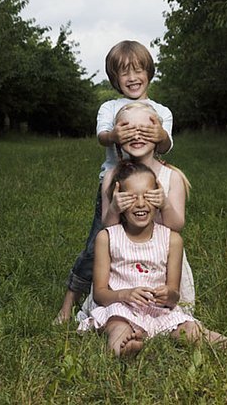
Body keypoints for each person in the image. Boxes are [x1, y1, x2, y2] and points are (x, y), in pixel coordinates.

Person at [77, 161, 227, 357]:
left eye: (148, 196)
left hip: (159, 311)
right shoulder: (107, 237)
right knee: (118, 328)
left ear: (159, 197)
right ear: (118, 200)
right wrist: (124, 294)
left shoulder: (172, 239)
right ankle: (123, 349)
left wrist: (168, 294)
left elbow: (174, 293)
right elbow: (99, 294)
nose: (140, 203)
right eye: (131, 198)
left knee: (191, 331)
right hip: (120, 308)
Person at [57, 41, 174, 323]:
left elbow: (167, 145)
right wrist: (114, 136)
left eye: (138, 70)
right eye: (124, 73)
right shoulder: (110, 107)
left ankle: (150, 301)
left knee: (152, 242)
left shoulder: (161, 111)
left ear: (149, 72)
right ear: (115, 78)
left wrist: (158, 134)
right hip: (114, 187)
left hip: (148, 189)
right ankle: (69, 303)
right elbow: (102, 137)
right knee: (100, 241)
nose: (132, 77)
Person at [77, 101, 195, 319]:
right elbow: (108, 230)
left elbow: (177, 226)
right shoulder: (112, 176)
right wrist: (114, 208)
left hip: (161, 265)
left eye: (145, 130)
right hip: (122, 266)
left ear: (159, 133)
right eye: (129, 130)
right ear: (118, 135)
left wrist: (164, 204)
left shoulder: (172, 177)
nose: (137, 136)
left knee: (168, 313)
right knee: (120, 314)